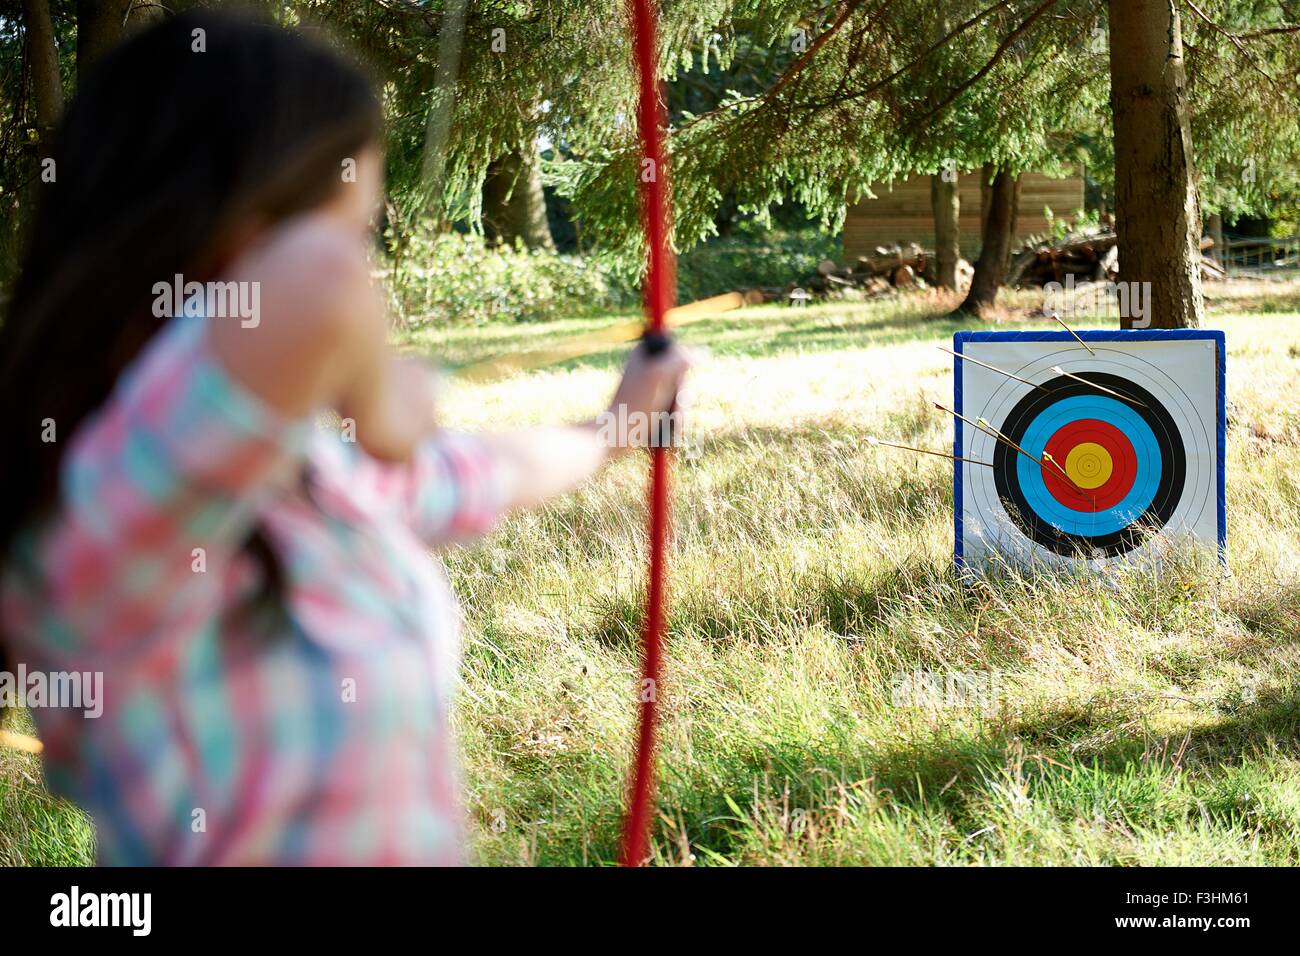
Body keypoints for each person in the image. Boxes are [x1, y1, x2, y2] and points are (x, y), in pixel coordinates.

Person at [0, 12, 687, 865]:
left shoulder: (292, 473)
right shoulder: (108, 507)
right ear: (229, 230)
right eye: (350, 228)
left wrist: (614, 427)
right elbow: (319, 286)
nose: (361, 271)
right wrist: (389, 413)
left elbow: (476, 474)